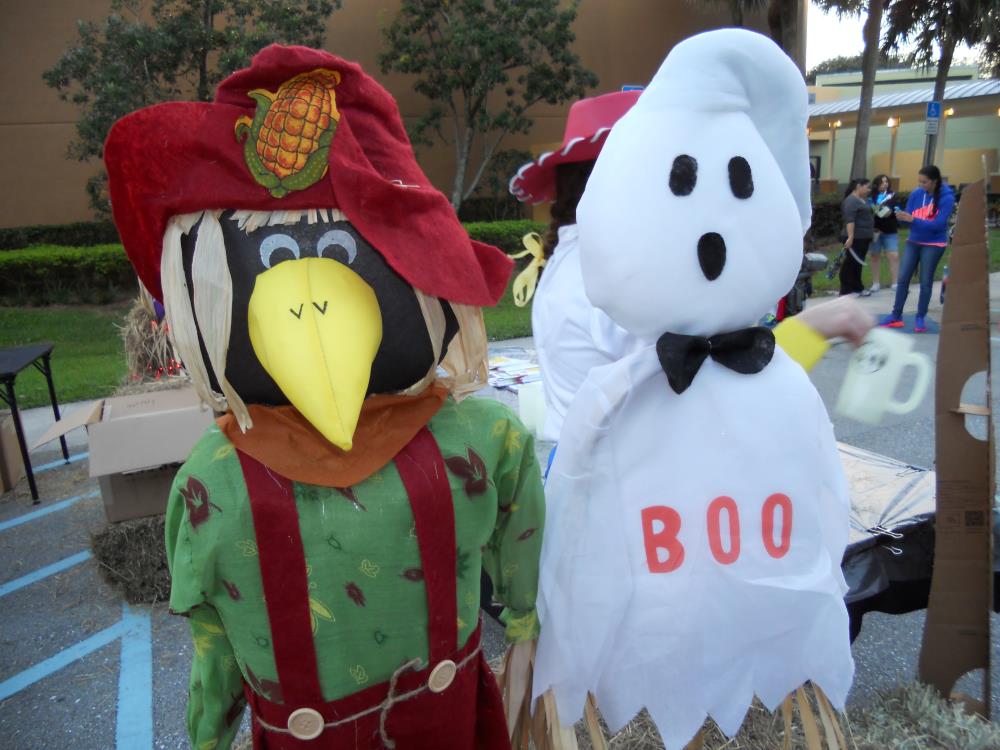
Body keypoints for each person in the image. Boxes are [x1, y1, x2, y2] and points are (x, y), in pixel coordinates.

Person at [880, 165, 956, 333]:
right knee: (903, 277)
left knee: (925, 280)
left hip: (934, 243)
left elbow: (938, 224)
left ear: (935, 181)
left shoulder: (947, 197)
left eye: (925, 182)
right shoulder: (916, 194)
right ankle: (896, 315)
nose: (921, 185)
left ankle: (920, 317)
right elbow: (909, 217)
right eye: (919, 181)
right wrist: (897, 216)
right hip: (914, 240)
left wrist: (913, 219)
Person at [840, 177, 874, 297]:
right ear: (858, 186)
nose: (869, 190)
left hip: (863, 238)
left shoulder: (862, 200)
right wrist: (850, 237)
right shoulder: (851, 201)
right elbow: (850, 220)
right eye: (867, 187)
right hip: (855, 238)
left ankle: (857, 287)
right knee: (850, 263)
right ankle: (846, 290)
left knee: (858, 263)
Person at [868, 173, 899, 292]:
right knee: (875, 255)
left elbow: (891, 211)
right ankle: (875, 283)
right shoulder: (871, 197)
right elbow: (871, 211)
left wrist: (886, 211)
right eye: (882, 182)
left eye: (886, 181)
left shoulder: (892, 196)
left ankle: (895, 283)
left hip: (890, 230)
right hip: (875, 230)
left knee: (893, 255)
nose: (885, 184)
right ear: (876, 184)